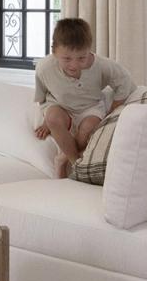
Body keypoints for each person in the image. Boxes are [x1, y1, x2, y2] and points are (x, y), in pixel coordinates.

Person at [34, 17, 136, 178]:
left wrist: (113, 109)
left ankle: (62, 158)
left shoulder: (102, 65)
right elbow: (42, 96)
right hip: (60, 106)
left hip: (90, 107)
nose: (74, 65)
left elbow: (125, 81)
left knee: (89, 128)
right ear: (54, 51)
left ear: (89, 49)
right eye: (66, 59)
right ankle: (76, 163)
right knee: (53, 118)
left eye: (81, 58)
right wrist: (47, 121)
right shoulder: (44, 67)